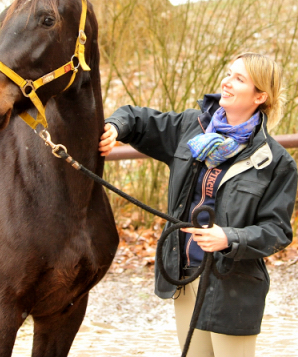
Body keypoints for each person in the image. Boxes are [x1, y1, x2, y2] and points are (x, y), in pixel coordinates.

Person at [99, 52, 297, 357]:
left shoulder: (276, 162)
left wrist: (228, 238)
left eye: (239, 79)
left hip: (235, 287)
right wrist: (115, 127)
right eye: (229, 73)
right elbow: (137, 119)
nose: (226, 82)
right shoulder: (191, 127)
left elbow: (277, 232)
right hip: (185, 276)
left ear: (261, 96)